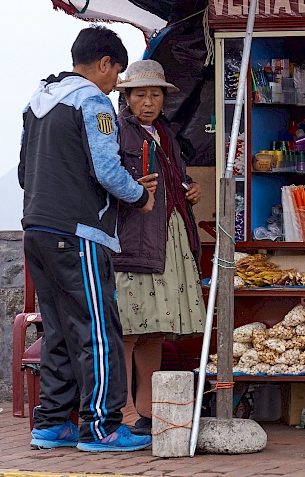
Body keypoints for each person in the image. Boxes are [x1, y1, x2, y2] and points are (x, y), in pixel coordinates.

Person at [20, 26, 158, 452]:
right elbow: (108, 169)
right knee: (98, 329)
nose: (116, 84)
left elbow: (25, 173)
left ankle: (51, 423)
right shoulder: (92, 101)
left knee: (59, 329)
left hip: (36, 228)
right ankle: (101, 428)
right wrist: (141, 196)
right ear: (104, 64)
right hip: (78, 232)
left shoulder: (36, 103)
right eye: (116, 73)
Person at [113, 60, 206, 435]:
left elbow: (175, 182)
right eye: (140, 95)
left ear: (164, 99)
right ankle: (123, 410)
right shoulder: (118, 134)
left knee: (154, 329)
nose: (148, 102)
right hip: (134, 240)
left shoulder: (167, 135)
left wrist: (190, 191)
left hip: (169, 236)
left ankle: (149, 408)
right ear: (127, 98)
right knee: (128, 328)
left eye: (155, 94)